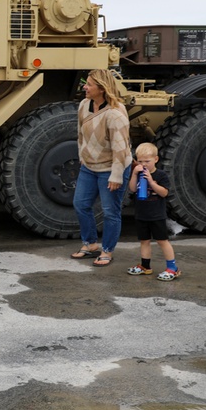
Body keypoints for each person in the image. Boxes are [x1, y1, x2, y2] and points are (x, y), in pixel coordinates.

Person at [71, 68, 132, 267]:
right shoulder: (83, 105)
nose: (84, 87)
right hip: (89, 166)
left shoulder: (115, 114)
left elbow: (121, 148)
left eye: (89, 84)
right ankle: (90, 244)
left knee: (110, 212)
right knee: (81, 204)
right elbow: (80, 134)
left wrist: (116, 175)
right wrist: (82, 155)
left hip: (111, 168)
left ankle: (107, 250)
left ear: (102, 88)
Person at [125, 143, 179, 281]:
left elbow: (164, 193)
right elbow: (132, 189)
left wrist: (151, 181)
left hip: (157, 215)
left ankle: (173, 268)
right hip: (141, 214)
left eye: (147, 161)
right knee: (144, 241)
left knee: (162, 241)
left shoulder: (160, 175)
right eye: (140, 161)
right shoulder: (138, 173)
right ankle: (145, 266)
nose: (144, 164)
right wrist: (134, 174)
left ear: (156, 159)